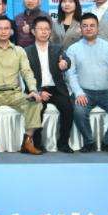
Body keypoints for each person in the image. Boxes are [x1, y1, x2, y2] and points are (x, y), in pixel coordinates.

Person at [0, 16, 44, 155]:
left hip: (14, 93)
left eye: (6, 28)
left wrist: (33, 90)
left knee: (35, 103)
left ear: (11, 31)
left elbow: (27, 72)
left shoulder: (19, 51)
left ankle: (27, 141)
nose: (3, 31)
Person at [65, 13, 108, 152]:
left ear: (98, 28)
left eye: (92, 26)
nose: (88, 28)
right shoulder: (73, 49)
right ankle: (89, 142)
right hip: (84, 91)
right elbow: (71, 74)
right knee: (78, 112)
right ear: (80, 28)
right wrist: (78, 93)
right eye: (85, 26)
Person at [25, 17, 74, 154]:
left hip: (56, 88)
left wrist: (65, 63)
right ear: (33, 31)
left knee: (68, 109)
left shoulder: (57, 48)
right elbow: (25, 75)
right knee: (37, 108)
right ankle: (37, 143)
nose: (44, 32)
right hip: (37, 88)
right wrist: (39, 91)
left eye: (47, 29)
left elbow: (66, 59)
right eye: (40, 29)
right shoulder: (26, 51)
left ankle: (63, 143)